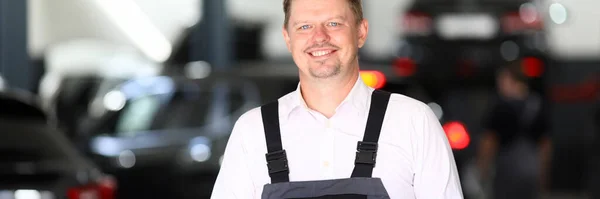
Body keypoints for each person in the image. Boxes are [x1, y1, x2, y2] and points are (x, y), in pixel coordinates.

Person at [210, 0, 463, 198]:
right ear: (288, 38)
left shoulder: (414, 123)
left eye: (333, 23)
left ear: (361, 32)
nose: (319, 37)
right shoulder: (252, 132)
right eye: (304, 26)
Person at [477, 61, 552, 199]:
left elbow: (489, 141)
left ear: (511, 79)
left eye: (501, 80)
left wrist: (482, 169)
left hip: (506, 172)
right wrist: (543, 174)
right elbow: (545, 145)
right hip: (531, 172)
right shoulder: (538, 104)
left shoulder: (500, 107)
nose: (499, 85)